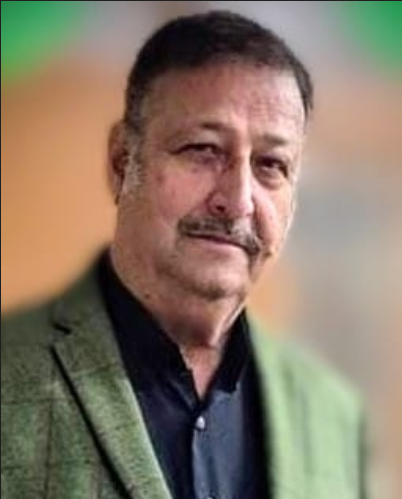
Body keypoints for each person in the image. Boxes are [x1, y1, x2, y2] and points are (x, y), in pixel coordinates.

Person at [1, 11, 367, 499]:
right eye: (203, 150)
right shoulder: (11, 377)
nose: (238, 200)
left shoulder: (333, 416)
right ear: (122, 161)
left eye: (270, 164)